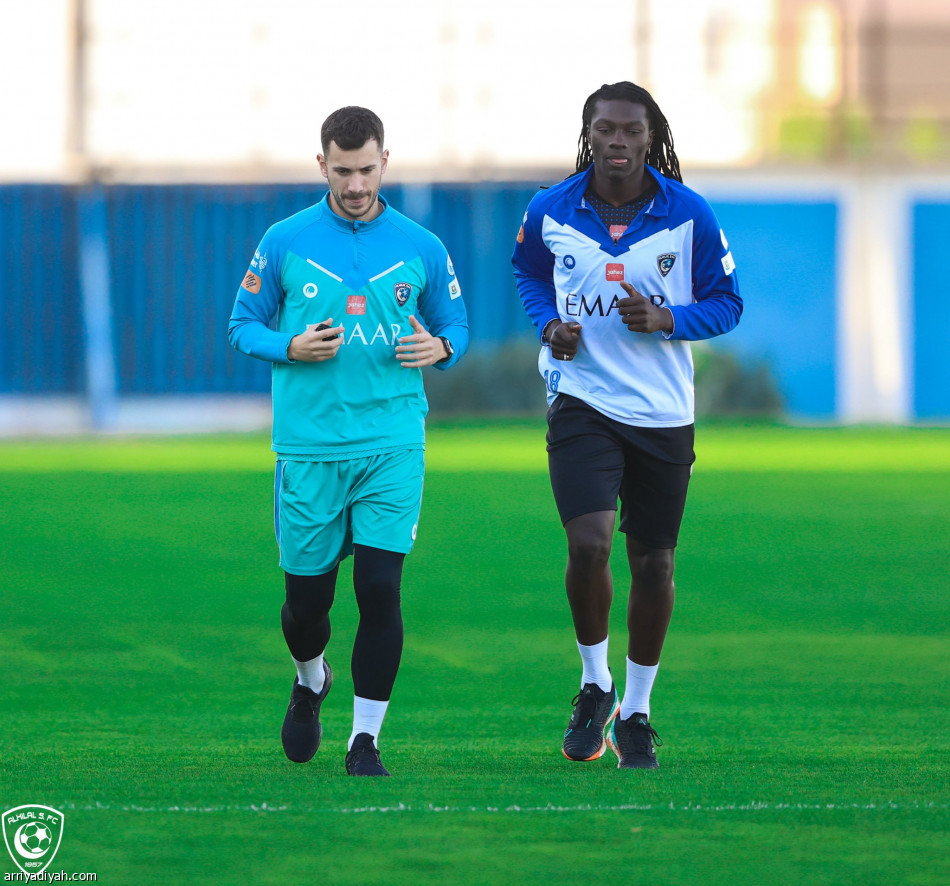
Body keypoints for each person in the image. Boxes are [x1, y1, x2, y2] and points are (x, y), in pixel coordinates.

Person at [229, 106, 468, 777]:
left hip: (393, 442)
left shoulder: (421, 244)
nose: (356, 183)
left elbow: (456, 325)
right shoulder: (284, 239)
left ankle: (365, 740)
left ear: (384, 161)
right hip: (308, 449)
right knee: (307, 610)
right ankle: (310, 680)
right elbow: (242, 325)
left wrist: (441, 346)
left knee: (380, 588)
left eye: (366, 169)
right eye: (343, 170)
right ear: (322, 165)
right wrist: (289, 345)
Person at [512, 81, 742, 769]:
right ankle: (594, 682)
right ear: (589, 134)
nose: (617, 141)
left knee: (654, 561)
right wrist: (549, 325)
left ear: (650, 137)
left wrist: (669, 319)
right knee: (588, 543)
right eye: (604, 129)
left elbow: (729, 303)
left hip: (664, 414)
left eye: (630, 131)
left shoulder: (689, 214)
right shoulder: (551, 209)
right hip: (582, 400)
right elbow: (528, 273)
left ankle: (637, 709)